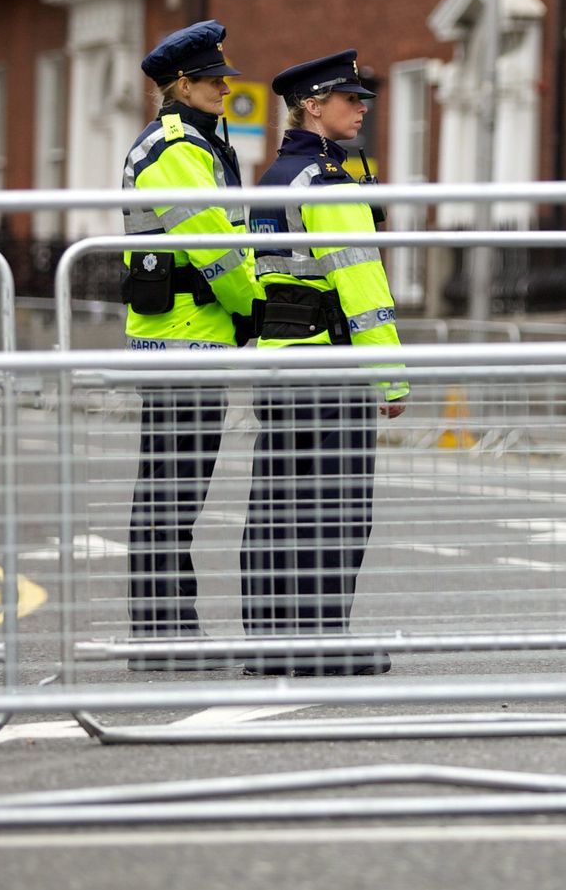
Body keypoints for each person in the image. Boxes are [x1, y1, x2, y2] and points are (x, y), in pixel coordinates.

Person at [241, 49, 408, 677]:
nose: (361, 108)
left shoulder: (276, 178)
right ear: (313, 105)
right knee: (337, 506)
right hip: (331, 367)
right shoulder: (329, 182)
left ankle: (268, 641)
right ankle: (320, 640)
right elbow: (362, 286)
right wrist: (389, 375)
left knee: (276, 502)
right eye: (350, 98)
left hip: (280, 359)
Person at [121, 19, 263, 670]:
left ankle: (171, 630)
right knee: (171, 495)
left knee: (173, 494)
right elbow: (215, 243)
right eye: (210, 81)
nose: (222, 89)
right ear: (181, 84)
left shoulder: (197, 143)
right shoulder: (176, 146)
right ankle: (162, 637)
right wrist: (254, 304)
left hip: (189, 339)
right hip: (185, 341)